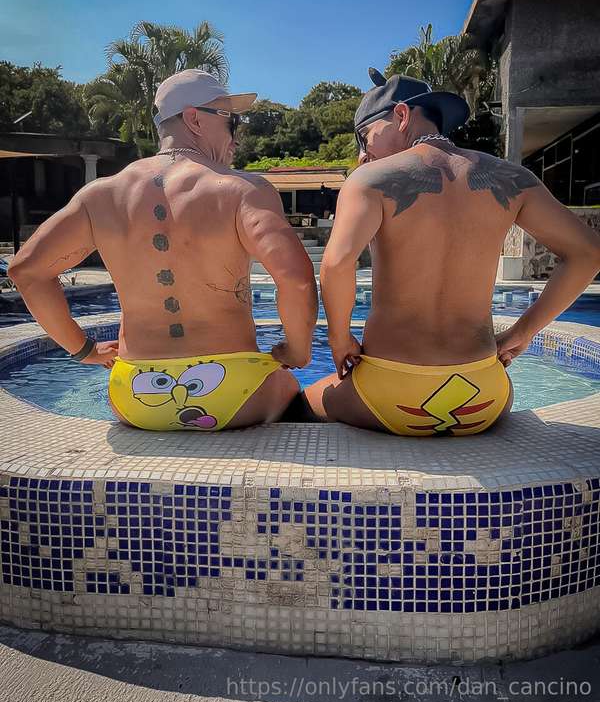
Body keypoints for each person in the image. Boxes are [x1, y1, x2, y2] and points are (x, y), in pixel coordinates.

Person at [9, 69, 318, 431]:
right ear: (194, 119)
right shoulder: (242, 190)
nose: (236, 137)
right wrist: (298, 351)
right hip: (235, 393)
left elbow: (26, 271)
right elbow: (296, 279)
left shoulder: (100, 196)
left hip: (135, 398)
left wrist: (84, 350)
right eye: (231, 121)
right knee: (303, 396)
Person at [303, 68, 600, 436]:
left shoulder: (369, 180)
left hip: (393, 395)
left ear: (401, 115)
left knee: (298, 401)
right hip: (485, 396)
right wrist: (523, 333)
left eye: (365, 138)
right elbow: (588, 253)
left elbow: (336, 264)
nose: (363, 155)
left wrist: (339, 339)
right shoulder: (513, 179)